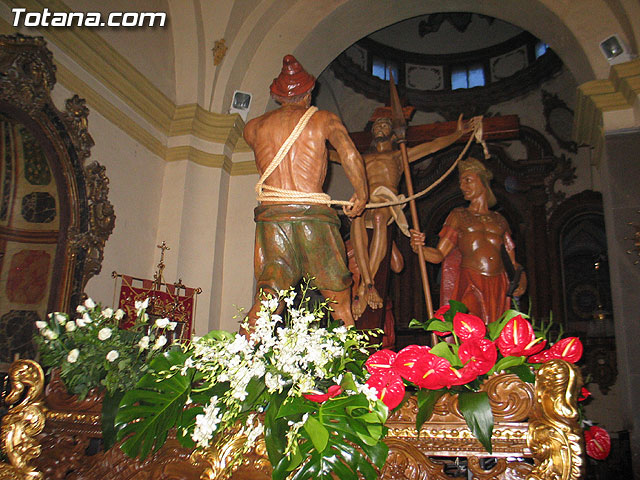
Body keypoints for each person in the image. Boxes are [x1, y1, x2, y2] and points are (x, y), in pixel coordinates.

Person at [243, 55, 368, 329]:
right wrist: (361, 192)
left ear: (275, 95)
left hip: (272, 219)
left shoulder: (253, 128)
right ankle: (352, 367)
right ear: (309, 93)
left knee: (267, 297)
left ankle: (238, 361)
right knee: (339, 303)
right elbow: (349, 153)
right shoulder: (323, 119)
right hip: (314, 219)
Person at [350, 115, 476, 318]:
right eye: (377, 125)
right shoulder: (360, 157)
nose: (381, 127)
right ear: (372, 132)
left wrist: (458, 133)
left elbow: (433, 146)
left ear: (392, 133)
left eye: (385, 124)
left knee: (380, 218)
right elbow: (334, 154)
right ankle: (365, 283)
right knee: (355, 218)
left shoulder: (398, 156)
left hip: (386, 199)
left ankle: (368, 284)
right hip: (366, 199)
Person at [410, 157, 526, 324]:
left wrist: (521, 279)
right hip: (471, 280)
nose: (462, 186)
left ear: (483, 180)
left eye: (468, 180)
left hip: (498, 283)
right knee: (471, 326)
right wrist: (419, 248)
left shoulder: (499, 220)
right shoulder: (458, 216)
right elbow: (439, 255)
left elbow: (512, 262)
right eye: (461, 182)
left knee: (495, 334)